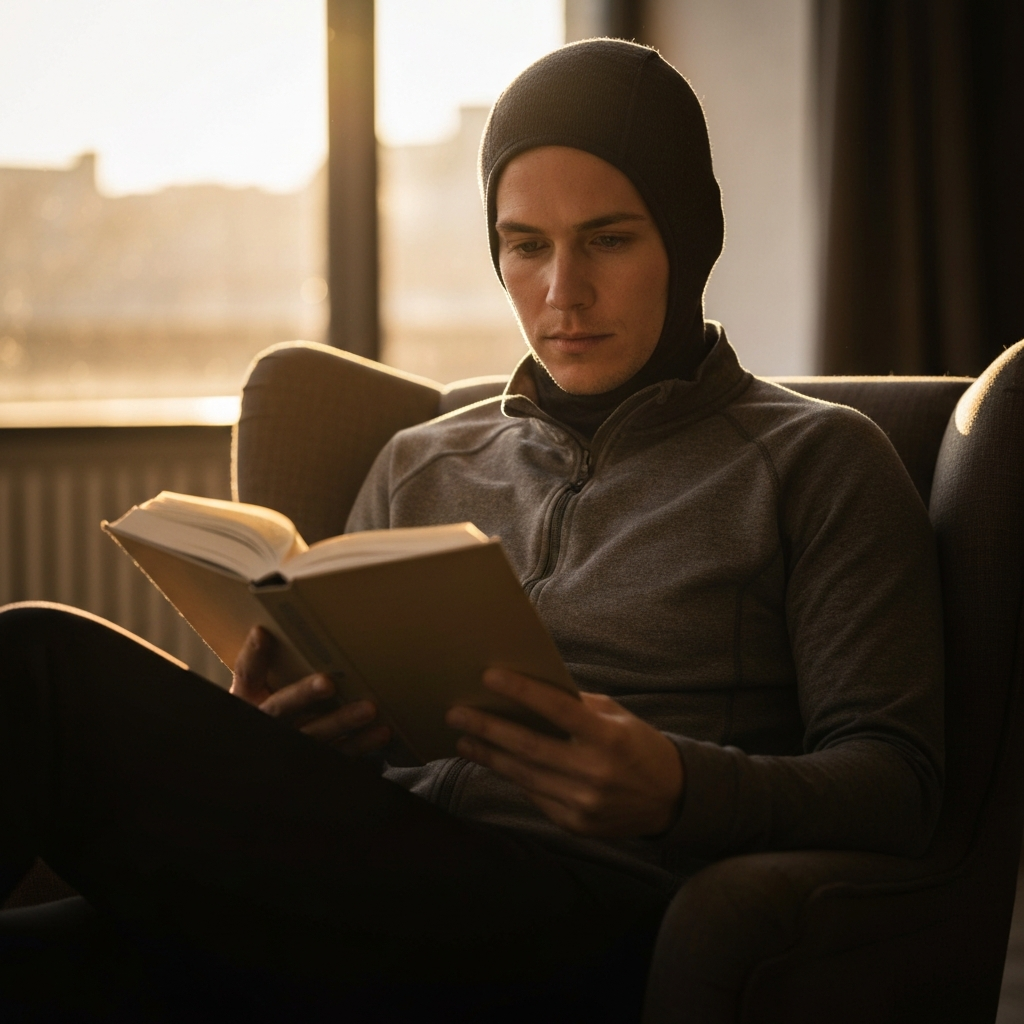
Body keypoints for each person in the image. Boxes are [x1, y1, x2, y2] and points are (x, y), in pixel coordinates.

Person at [0, 39, 943, 1023]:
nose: (560, 292)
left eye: (609, 239)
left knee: (39, 665)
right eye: (526, 244)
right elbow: (348, 758)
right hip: (359, 877)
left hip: (583, 909)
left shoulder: (819, 460)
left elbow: (899, 781)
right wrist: (276, 737)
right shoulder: (421, 460)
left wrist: (677, 788)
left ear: (689, 237)